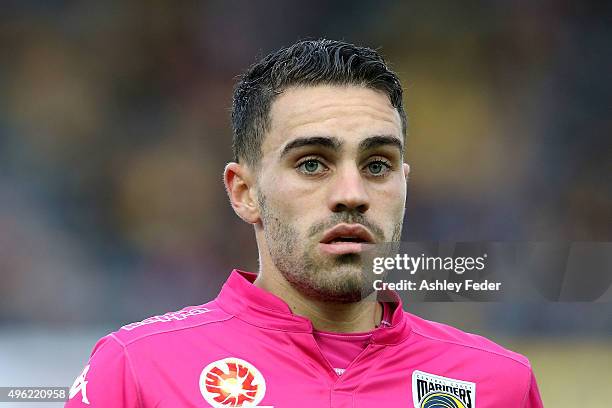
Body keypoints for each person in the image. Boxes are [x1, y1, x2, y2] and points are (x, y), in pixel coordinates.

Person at [66, 39, 543, 407]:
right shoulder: (138, 369)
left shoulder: (496, 382)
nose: (352, 195)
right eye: (313, 163)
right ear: (244, 192)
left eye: (377, 165)